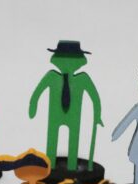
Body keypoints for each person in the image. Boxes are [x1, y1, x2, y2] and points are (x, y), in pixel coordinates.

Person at [29, 41, 103, 170]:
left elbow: (94, 98)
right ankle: (50, 166)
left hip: (74, 116)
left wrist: (97, 115)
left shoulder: (83, 79)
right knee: (52, 138)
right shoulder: (51, 77)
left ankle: (71, 167)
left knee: (73, 139)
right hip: (55, 115)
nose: (68, 62)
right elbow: (37, 92)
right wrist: (33, 106)